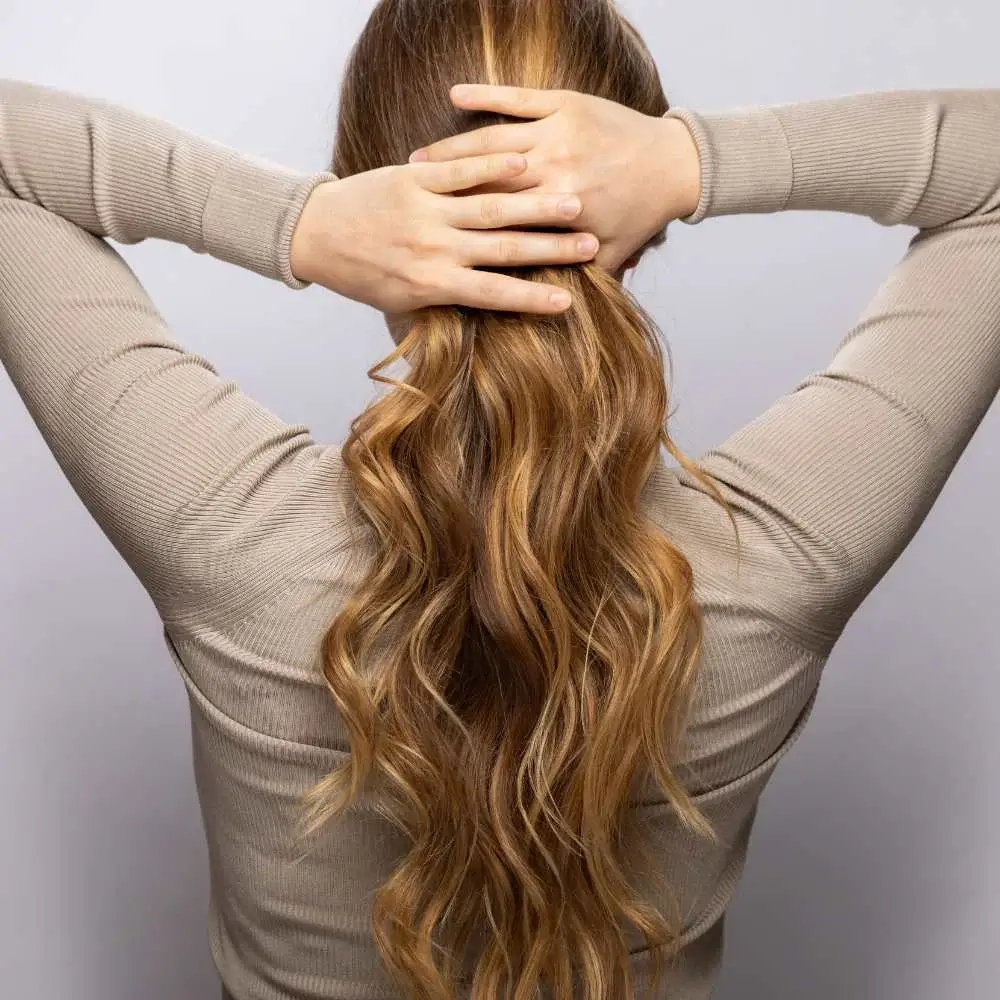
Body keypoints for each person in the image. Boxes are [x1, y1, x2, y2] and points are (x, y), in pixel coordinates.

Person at [0, 0, 997, 997]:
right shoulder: (775, 555)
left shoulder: (231, 532)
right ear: (636, 239)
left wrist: (298, 223)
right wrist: (691, 162)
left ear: (373, 198)